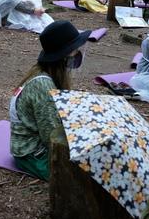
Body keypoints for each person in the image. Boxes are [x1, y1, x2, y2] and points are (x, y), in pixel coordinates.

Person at [9, 20, 90, 180]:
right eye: (74, 50)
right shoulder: (42, 85)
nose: (77, 53)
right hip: (32, 154)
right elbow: (52, 137)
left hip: (34, 146)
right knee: (87, 175)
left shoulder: (44, 75)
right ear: (64, 55)